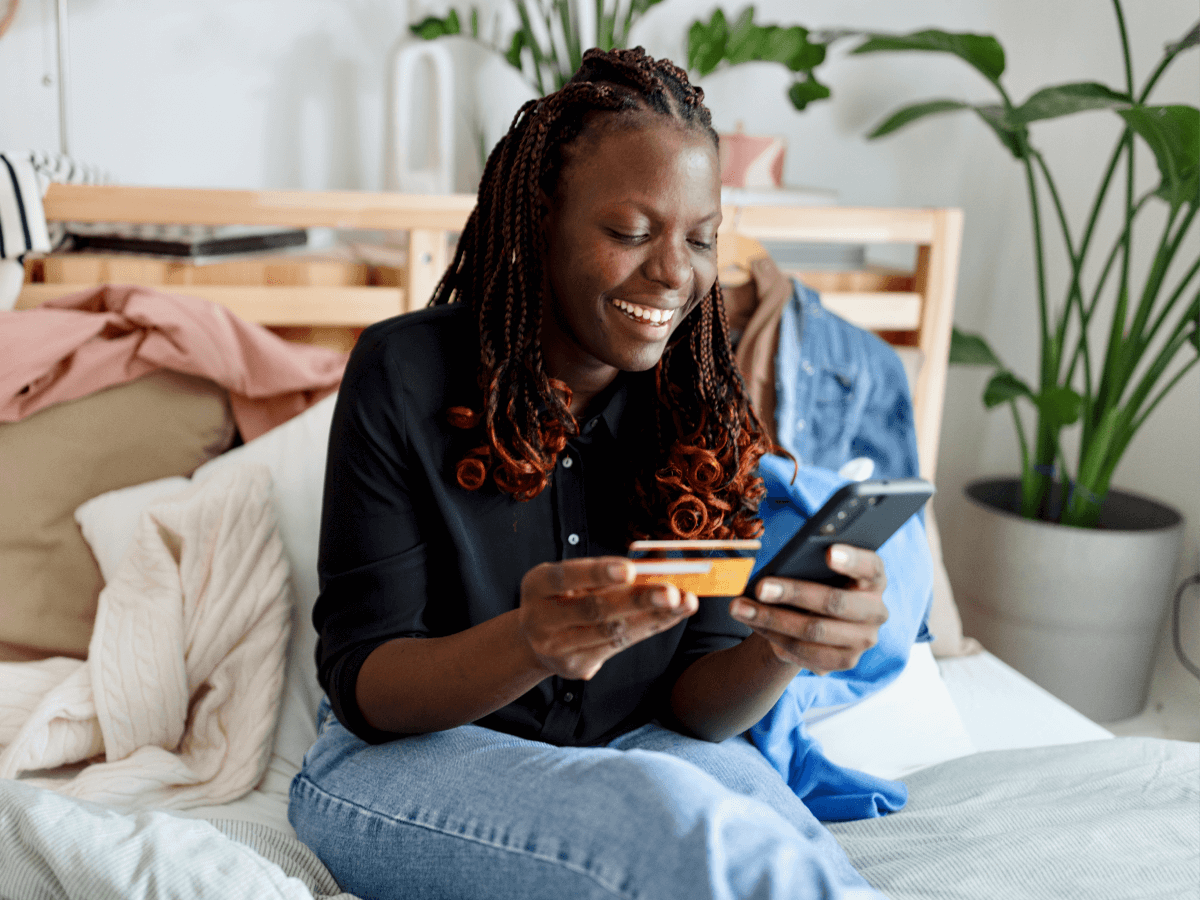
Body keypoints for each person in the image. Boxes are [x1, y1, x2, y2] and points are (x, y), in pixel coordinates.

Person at [289, 47, 890, 900]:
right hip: (404, 759)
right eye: (632, 233)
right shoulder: (404, 373)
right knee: (672, 822)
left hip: (641, 742)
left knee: (774, 841)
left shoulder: (703, 410)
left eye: (701, 238)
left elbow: (695, 710)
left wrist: (782, 647)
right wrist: (529, 645)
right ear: (543, 219)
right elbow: (365, 685)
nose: (675, 272)